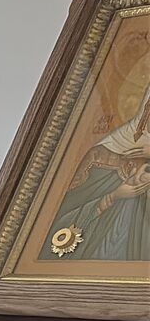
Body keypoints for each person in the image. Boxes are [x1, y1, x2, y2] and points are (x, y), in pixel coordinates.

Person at [42, 83, 150, 261]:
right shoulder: (103, 154)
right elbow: (62, 214)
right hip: (99, 253)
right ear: (146, 110)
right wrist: (114, 196)